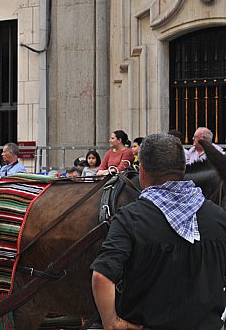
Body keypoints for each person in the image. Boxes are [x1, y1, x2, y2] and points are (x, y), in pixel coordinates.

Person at [91, 133, 226, 329]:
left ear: (142, 171)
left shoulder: (129, 218)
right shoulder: (218, 217)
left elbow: (101, 276)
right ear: (183, 169)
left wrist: (112, 322)